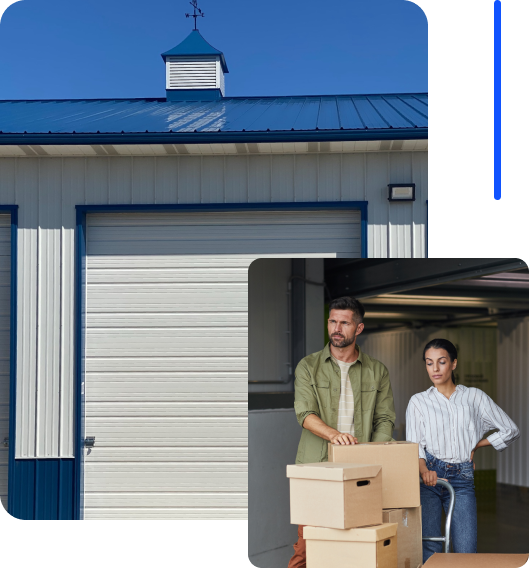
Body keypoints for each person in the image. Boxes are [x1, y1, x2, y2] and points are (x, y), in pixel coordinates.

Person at [287, 296, 396, 568]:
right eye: (333, 321)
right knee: (306, 547)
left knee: (354, 547)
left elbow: (384, 419)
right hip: (317, 468)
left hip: (361, 473)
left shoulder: (376, 371)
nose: (337, 328)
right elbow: (305, 414)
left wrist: (373, 458)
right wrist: (333, 435)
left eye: (344, 323)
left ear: (358, 328)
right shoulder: (308, 367)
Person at [406, 338, 520, 564]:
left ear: (454, 364)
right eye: (429, 363)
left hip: (463, 477)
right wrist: (423, 471)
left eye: (441, 362)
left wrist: (477, 444)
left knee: (466, 548)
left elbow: (510, 429)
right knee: (429, 543)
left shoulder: (474, 397)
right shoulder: (418, 402)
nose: (435, 369)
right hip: (429, 476)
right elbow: (414, 444)